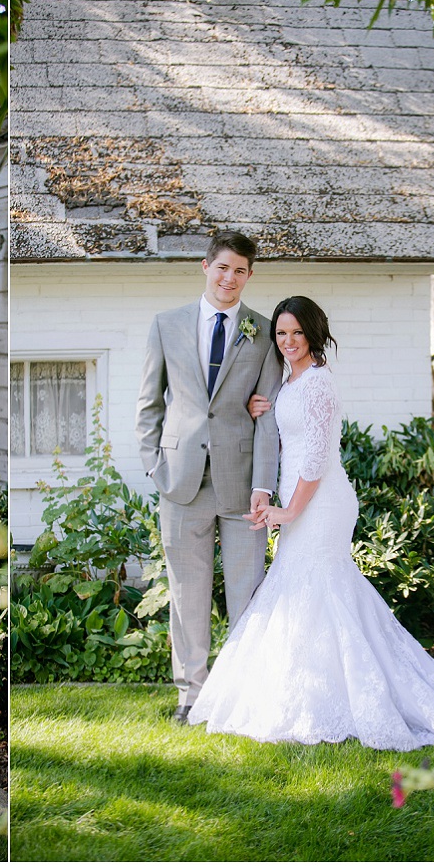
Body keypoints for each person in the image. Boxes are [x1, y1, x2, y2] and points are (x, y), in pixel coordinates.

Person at [187, 296, 434, 749]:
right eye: (281, 333)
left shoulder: (318, 384)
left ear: (314, 333)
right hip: (303, 499)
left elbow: (315, 459)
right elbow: (287, 431)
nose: (288, 341)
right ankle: (313, 688)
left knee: (319, 587)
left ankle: (342, 693)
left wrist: (289, 511)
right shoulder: (289, 381)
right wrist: (265, 407)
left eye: (297, 332)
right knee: (310, 589)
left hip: (320, 502)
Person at [136, 230, 284, 724]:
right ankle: (192, 696)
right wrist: (154, 466)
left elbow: (267, 418)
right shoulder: (166, 324)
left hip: (241, 485)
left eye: (240, 270)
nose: (230, 278)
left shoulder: (264, 332)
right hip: (180, 482)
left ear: (249, 275)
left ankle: (241, 693)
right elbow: (149, 404)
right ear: (205, 267)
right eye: (223, 267)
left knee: (246, 592)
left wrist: (263, 487)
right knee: (188, 595)